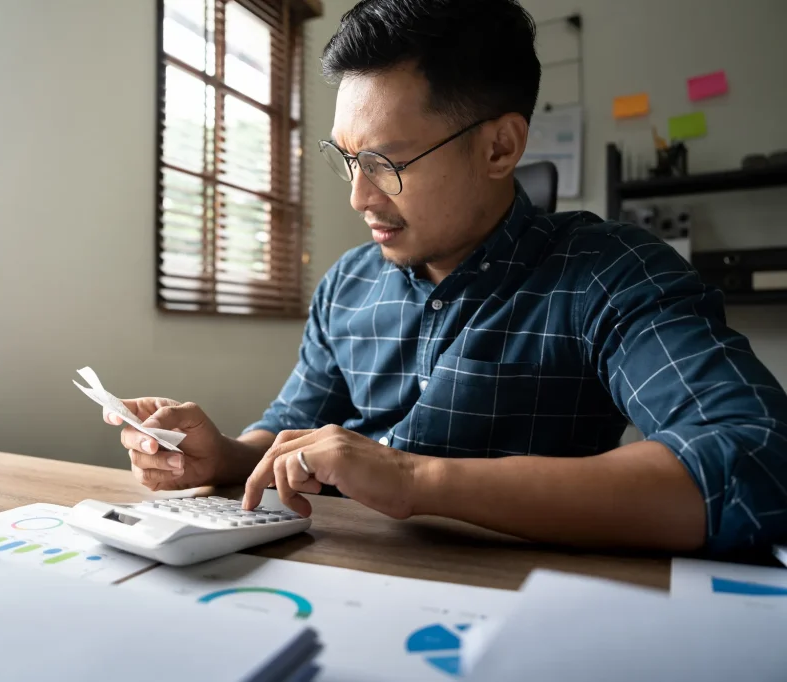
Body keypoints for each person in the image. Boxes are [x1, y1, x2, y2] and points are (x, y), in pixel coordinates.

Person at [107, 0, 787, 553]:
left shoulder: (612, 275)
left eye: (385, 162)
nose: (359, 198)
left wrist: (416, 479)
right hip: (332, 584)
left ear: (500, 146)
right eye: (346, 159)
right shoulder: (348, 283)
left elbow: (754, 464)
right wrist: (219, 456)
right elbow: (291, 429)